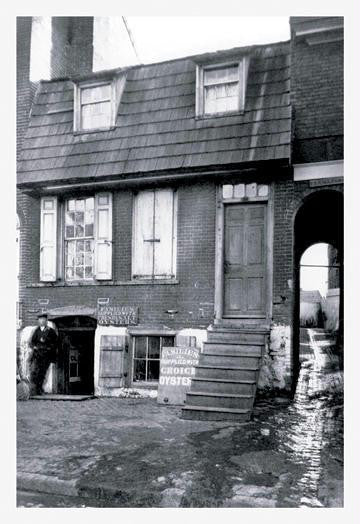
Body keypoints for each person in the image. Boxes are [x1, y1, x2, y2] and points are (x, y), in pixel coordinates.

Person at [29, 313, 58, 395]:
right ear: (38, 321)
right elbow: (32, 342)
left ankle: (40, 389)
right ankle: (35, 389)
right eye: (40, 319)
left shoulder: (50, 331)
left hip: (46, 355)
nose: (41, 321)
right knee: (35, 372)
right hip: (37, 355)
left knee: (42, 373)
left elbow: (55, 342)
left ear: (46, 321)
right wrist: (34, 347)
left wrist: (49, 348)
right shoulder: (36, 331)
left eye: (43, 319)